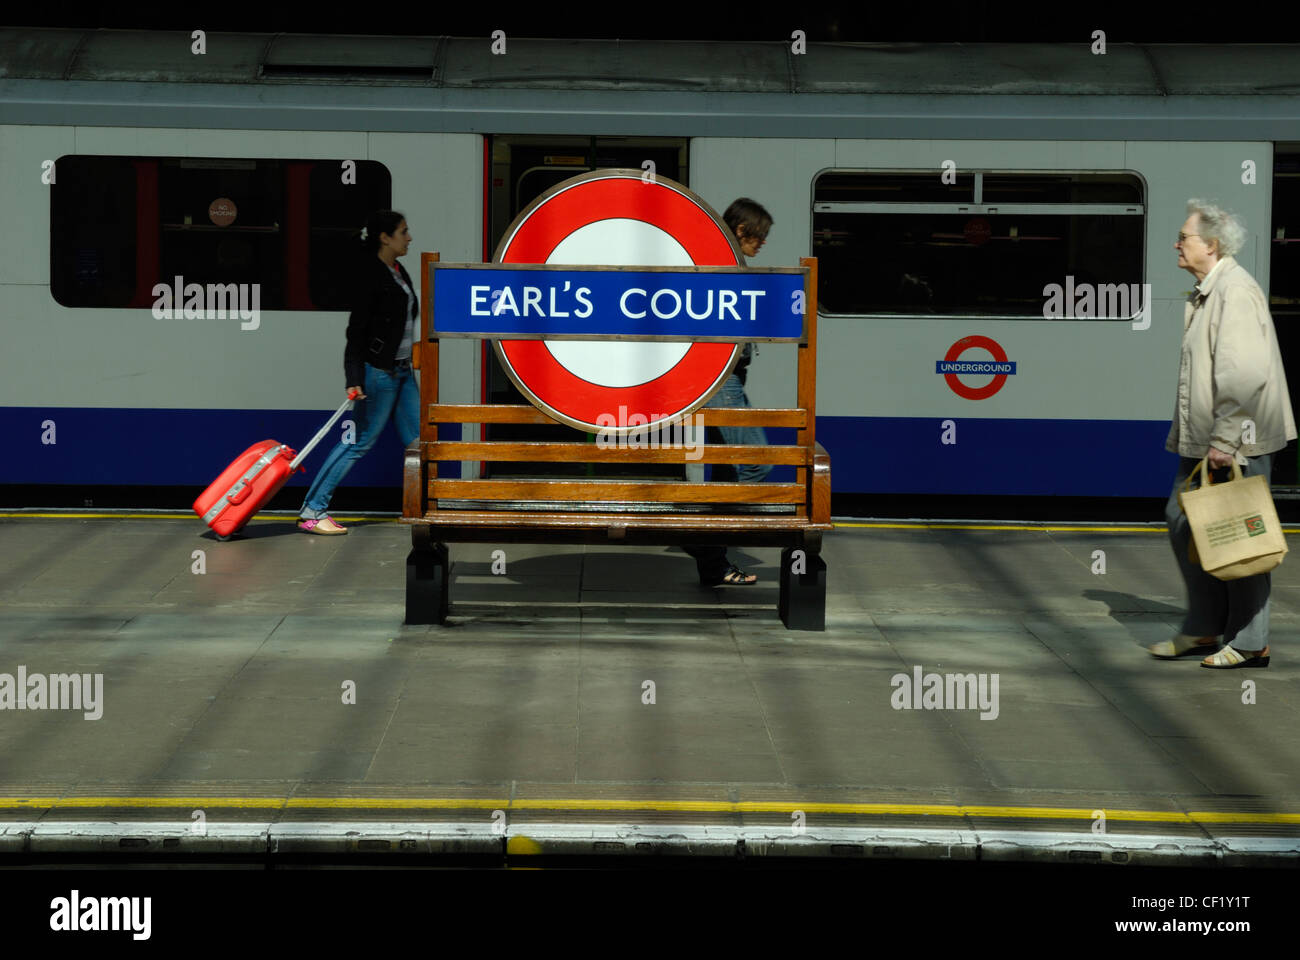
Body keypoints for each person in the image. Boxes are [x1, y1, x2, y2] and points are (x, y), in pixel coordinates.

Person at [1147, 200, 1295, 667]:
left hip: (1235, 441)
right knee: (1185, 520)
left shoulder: (1235, 292)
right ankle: (1205, 628)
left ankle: (1250, 642)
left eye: (1184, 237)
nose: (1177, 244)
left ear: (1210, 245)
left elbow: (1243, 374)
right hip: (1206, 438)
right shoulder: (1209, 292)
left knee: (1240, 535)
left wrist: (1225, 440)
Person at [298, 210, 420, 535]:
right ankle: (312, 511)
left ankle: (424, 508)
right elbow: (356, 332)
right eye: (403, 232)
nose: (409, 238)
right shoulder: (372, 275)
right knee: (358, 443)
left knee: (419, 441)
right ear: (385, 237)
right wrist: (354, 378)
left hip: (404, 372)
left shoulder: (397, 270)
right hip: (379, 374)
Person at [683, 198, 774, 586]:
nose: (763, 244)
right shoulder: (723, 262)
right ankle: (704, 542)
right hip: (723, 380)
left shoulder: (720, 260)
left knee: (724, 471)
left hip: (727, 376)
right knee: (755, 463)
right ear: (741, 231)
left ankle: (713, 565)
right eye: (760, 236)